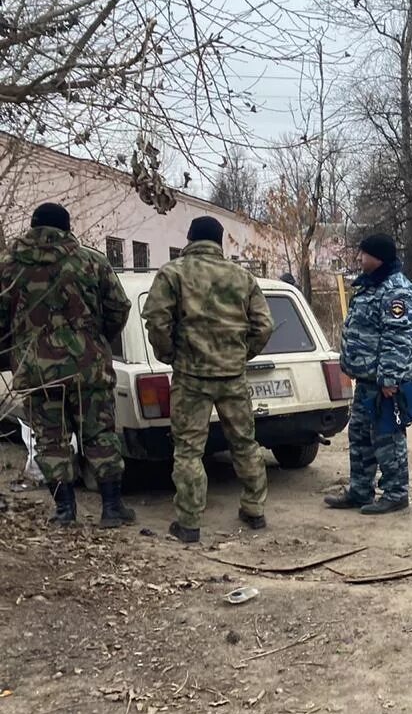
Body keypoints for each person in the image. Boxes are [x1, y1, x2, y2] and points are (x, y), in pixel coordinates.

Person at [0, 203, 134, 527]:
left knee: (50, 440)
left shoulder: (9, 267)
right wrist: (97, 340)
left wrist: (12, 352)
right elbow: (119, 306)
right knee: (100, 434)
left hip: (37, 372)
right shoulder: (92, 261)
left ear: (32, 227)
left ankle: (64, 511)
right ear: (67, 227)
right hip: (88, 369)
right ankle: (112, 508)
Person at [142, 216, 274, 544]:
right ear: (220, 242)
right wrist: (242, 354)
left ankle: (188, 523)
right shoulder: (242, 276)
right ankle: (254, 510)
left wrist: (170, 354)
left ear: (189, 238)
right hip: (232, 375)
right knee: (245, 443)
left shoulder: (172, 273)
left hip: (191, 377)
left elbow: (157, 321)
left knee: (188, 450)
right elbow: (264, 325)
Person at [325, 233, 412, 514]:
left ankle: (395, 493)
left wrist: (389, 378)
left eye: (363, 254)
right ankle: (360, 490)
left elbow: (398, 338)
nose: (359, 258)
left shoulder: (395, 290)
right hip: (367, 380)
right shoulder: (370, 286)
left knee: (387, 438)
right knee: (360, 436)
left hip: (384, 384)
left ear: (376, 257)